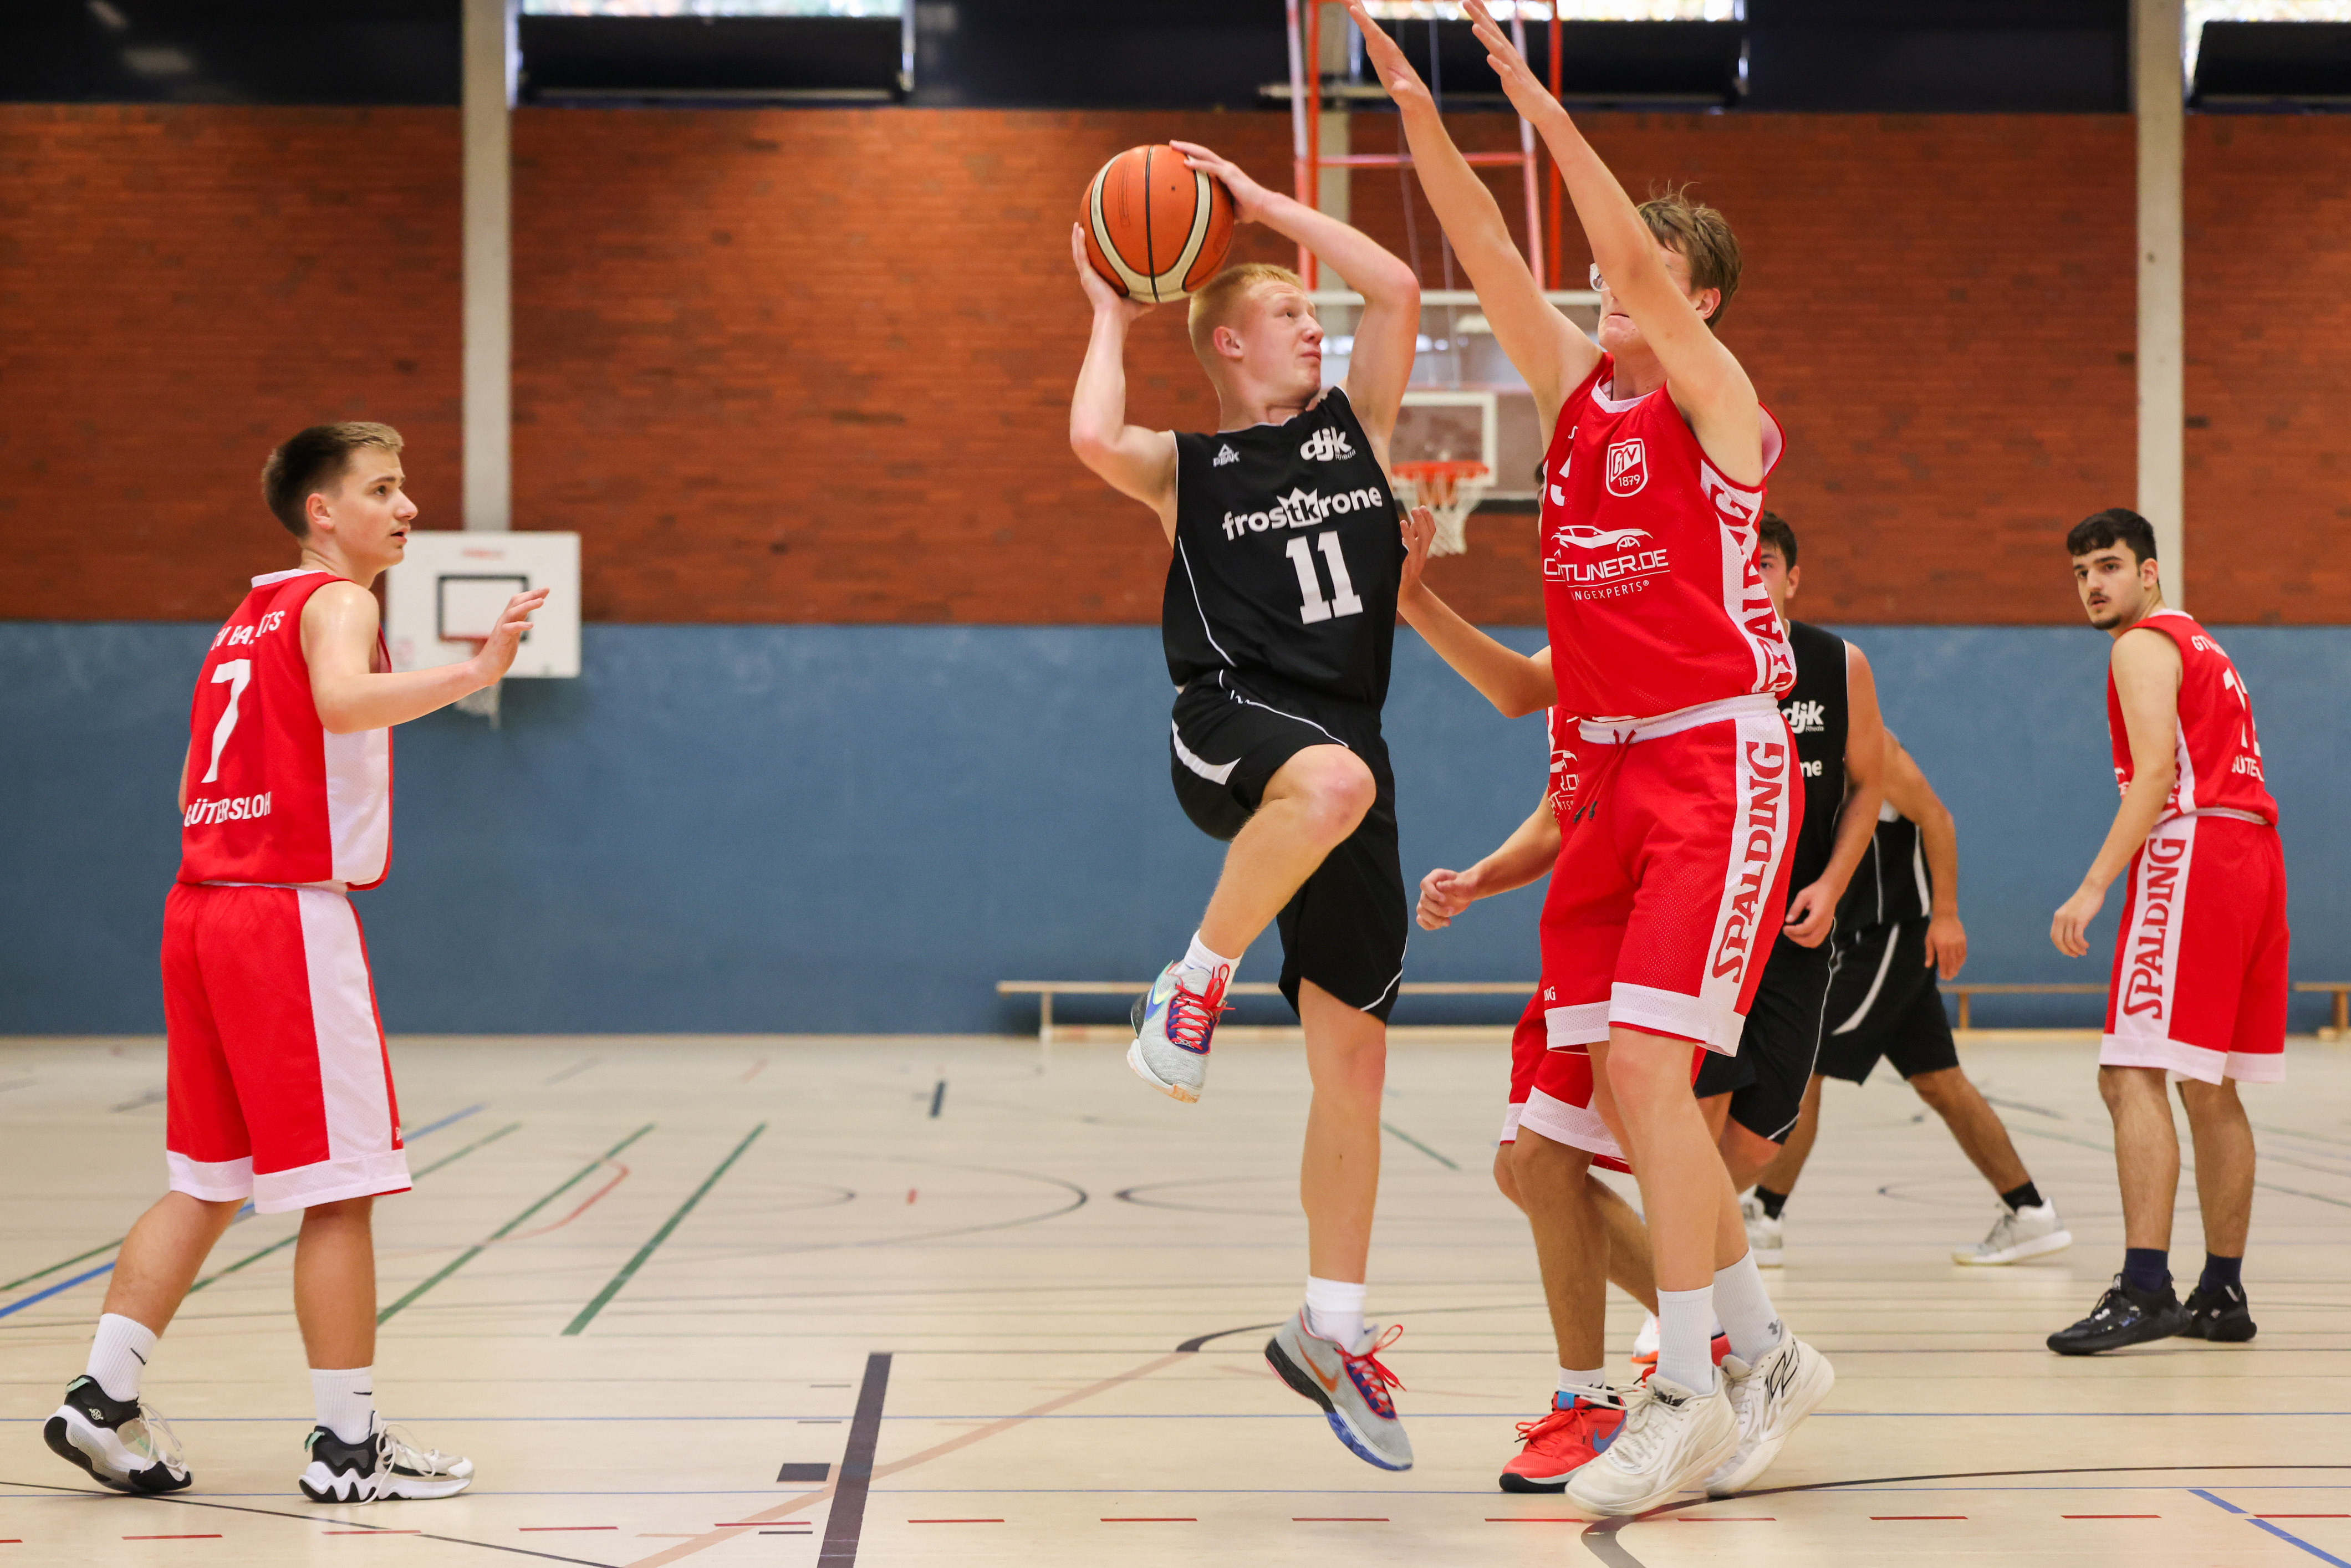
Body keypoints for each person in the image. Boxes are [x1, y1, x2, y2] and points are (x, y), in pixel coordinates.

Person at [1352, 0, 1830, 1515]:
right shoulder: (1572, 405)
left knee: (1645, 1072)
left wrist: (1539, 105)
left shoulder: (1722, 410)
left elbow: (1609, 246)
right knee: (1599, 1111)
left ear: (1697, 303)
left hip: (1713, 763)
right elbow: (1487, 246)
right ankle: (1763, 1352)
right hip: (1604, 780)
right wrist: (1419, 111)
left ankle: (1682, 1385)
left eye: (1645, 277)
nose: (1611, 290)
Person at [44, 423, 542, 1504]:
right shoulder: (341, 602)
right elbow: (340, 701)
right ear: (323, 510)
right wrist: (475, 669)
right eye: (384, 488)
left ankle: (103, 1394)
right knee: (345, 1186)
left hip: (199, 907)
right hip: (281, 915)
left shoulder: (244, 617)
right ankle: (349, 1445)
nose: (407, 507)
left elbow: (192, 776)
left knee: (206, 1180)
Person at [1067, 143, 1433, 1469]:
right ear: (1226, 342)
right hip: (1228, 724)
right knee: (1327, 778)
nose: (1312, 324)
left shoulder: (1353, 428)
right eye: (1286, 311)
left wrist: (1268, 205)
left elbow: (1395, 287)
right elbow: (1089, 437)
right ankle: (1191, 986)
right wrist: (1108, 310)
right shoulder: (1189, 468)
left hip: (1346, 759)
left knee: (1356, 1068)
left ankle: (1326, 1329)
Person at [2046, 508, 2281, 1354]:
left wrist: (2092, 885)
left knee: (2129, 1071)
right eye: (2081, 573)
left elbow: (2154, 776)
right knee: (2209, 1084)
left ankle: (2144, 1289)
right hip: (2254, 856)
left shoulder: (2141, 645)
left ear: (2149, 571)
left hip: (2194, 850)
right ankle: (2221, 1292)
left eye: (2108, 565)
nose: (2092, 585)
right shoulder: (2206, 646)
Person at [1749, 733, 2073, 1267]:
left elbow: (1937, 819)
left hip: (1889, 934)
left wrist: (1945, 914)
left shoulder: (1870, 747)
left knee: (1803, 1061)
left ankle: (1763, 1216)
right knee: (1940, 1083)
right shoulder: (1793, 742)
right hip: (1852, 939)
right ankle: (2030, 1211)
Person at [1691, 513, 1884, 1254]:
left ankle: (1671, 1244)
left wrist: (1832, 884)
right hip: (1711, 924)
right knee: (1702, 1108)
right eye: (1737, 561)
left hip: (1797, 930)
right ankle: (1678, 1288)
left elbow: (1867, 785)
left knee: (1761, 1138)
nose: (1750, 575)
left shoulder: (1838, 665)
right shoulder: (1692, 659)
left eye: (1764, 563)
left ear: (1792, 579)